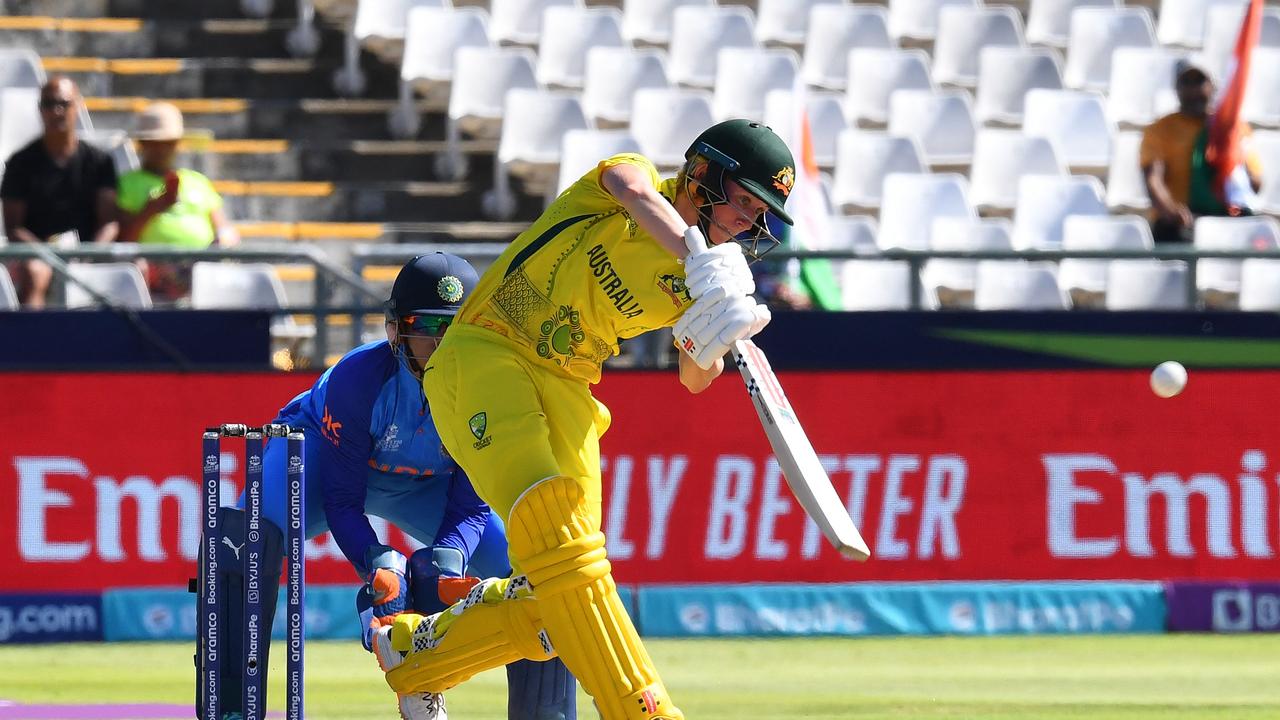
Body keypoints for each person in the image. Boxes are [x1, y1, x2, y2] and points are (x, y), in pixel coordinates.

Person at [373, 120, 795, 720]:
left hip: (568, 384)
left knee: (560, 596)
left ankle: (416, 657)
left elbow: (691, 378)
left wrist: (716, 333)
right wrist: (699, 258)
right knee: (558, 539)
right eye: (745, 201)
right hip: (488, 349)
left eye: (761, 213)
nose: (749, 223)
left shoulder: (709, 279)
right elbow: (630, 188)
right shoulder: (635, 187)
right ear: (703, 177)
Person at [205, 254, 576, 720]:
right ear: (396, 330)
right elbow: (342, 500)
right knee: (246, 540)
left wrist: (443, 565)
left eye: (456, 328)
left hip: (427, 485)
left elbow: (471, 505)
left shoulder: (495, 386)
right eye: (427, 328)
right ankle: (231, 709)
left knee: (538, 568)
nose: (443, 346)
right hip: (323, 453)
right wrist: (376, 561)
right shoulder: (359, 379)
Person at [0, 76, 118, 307]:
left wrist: (90, 255)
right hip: (37, 254)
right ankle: (34, 341)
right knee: (36, 273)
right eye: (48, 104)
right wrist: (48, 256)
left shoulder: (100, 162)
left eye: (64, 103)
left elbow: (110, 222)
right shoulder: (20, 163)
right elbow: (14, 227)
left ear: (77, 106)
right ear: (40, 110)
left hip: (88, 252)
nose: (56, 111)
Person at [116, 101, 239, 301]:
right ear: (143, 144)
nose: (162, 149)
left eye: (168, 142)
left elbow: (224, 228)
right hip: (151, 268)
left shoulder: (197, 181)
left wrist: (225, 241)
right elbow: (125, 238)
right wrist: (153, 208)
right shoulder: (127, 183)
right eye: (155, 142)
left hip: (201, 266)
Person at [1141, 59, 1263, 244]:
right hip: (1184, 221)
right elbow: (1153, 180)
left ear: (1212, 86)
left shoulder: (1233, 127)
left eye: (1199, 82)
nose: (1193, 91)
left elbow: (1255, 184)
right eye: (1186, 83)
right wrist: (1172, 210)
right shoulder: (1160, 130)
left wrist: (1234, 157)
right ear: (1176, 88)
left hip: (1228, 216)